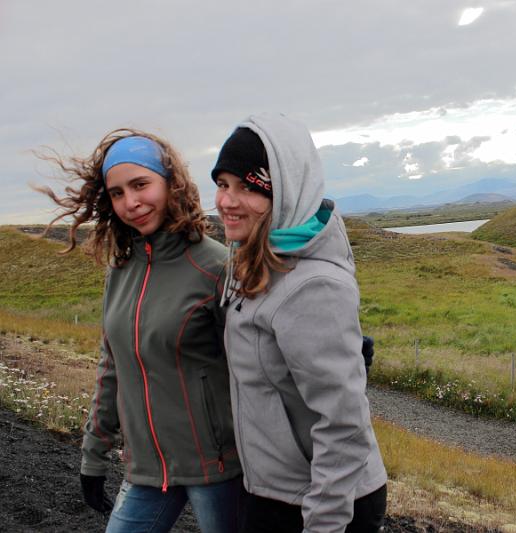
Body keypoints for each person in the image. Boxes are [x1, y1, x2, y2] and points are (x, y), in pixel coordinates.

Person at [37, 130, 243, 532]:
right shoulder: (120, 271)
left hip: (218, 469)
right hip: (147, 470)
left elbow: (257, 364)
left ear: (171, 183)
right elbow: (111, 366)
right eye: (116, 193)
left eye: (140, 184)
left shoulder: (216, 268)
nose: (130, 203)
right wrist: (93, 455)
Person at [212, 112, 388, 533]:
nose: (227, 201)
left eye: (248, 188)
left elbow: (344, 425)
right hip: (274, 490)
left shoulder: (312, 285)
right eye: (222, 184)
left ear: (286, 190)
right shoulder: (254, 259)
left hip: (318, 502)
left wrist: (324, 524)